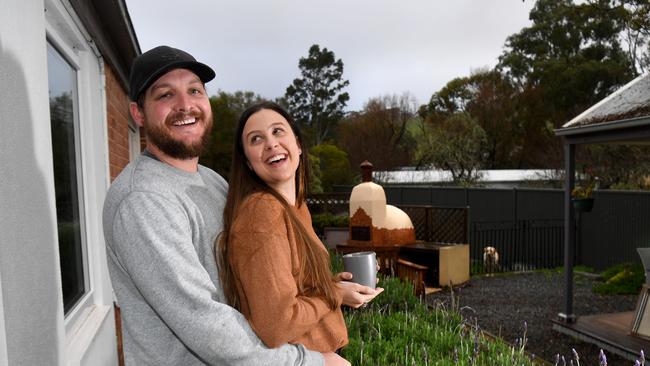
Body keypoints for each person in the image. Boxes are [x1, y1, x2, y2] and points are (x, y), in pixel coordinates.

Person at [103, 46, 349, 365]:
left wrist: (326, 292)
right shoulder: (143, 201)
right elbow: (205, 323)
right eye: (165, 95)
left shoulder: (212, 181)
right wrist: (310, 362)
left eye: (194, 90)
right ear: (138, 113)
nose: (185, 105)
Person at [216, 101, 383, 355]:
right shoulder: (261, 211)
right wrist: (334, 295)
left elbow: (295, 289)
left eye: (278, 131)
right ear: (248, 163)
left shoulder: (297, 208)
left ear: (298, 144)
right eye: (256, 139)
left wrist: (339, 286)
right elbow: (276, 325)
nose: (271, 143)